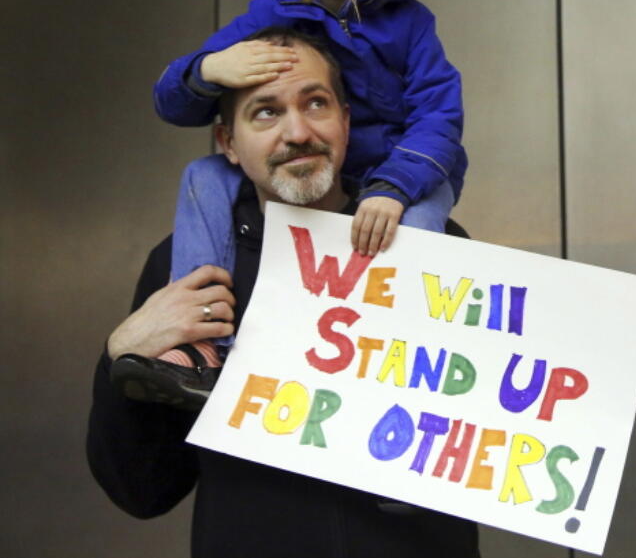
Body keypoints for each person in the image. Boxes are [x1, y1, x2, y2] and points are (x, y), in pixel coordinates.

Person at [88, 29, 480, 558]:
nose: (298, 132)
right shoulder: (183, 268)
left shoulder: (439, 247)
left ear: (345, 121)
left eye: (315, 103)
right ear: (227, 142)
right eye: (265, 113)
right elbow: (143, 490)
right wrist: (121, 357)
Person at [118, 0, 466, 406]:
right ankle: (201, 343)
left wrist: (394, 186)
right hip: (319, 178)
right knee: (199, 175)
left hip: (406, 171)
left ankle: (408, 383)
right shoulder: (268, 15)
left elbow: (440, 117)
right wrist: (209, 70)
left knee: (419, 230)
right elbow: (171, 101)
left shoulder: (412, 24)